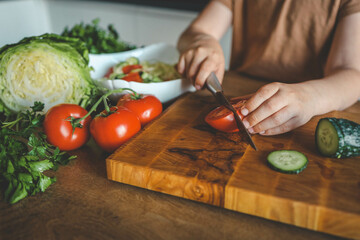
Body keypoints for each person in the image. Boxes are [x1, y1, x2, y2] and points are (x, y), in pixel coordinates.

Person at [177, 0, 360, 136]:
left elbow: (351, 72)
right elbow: (194, 33)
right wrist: (202, 40)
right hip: (238, 90)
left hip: (313, 114)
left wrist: (310, 96)